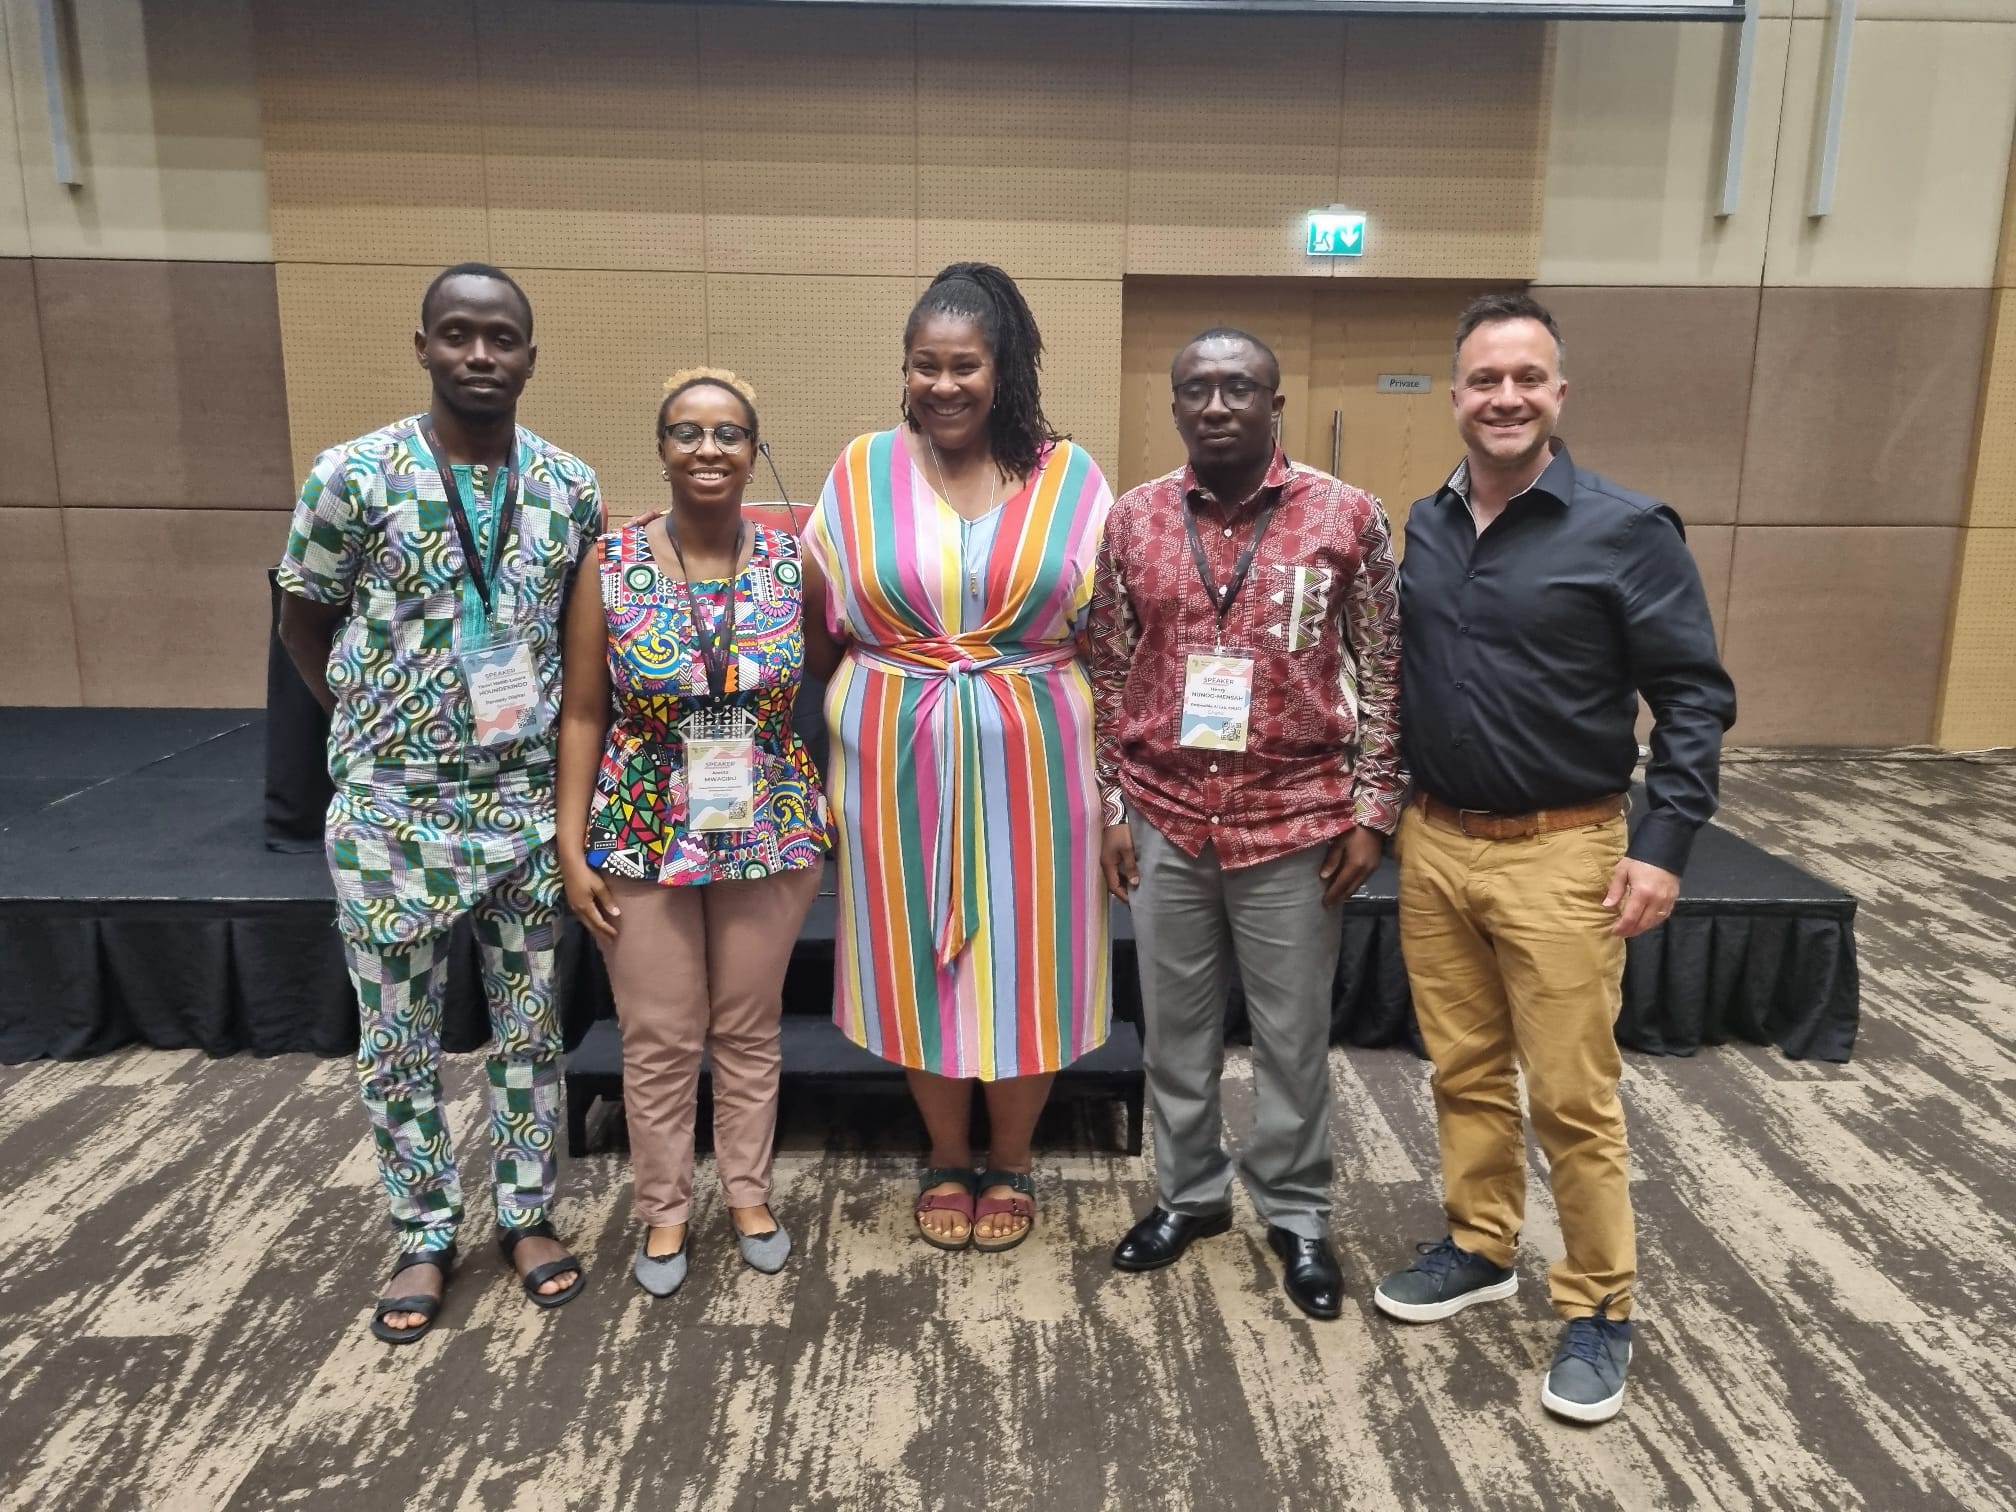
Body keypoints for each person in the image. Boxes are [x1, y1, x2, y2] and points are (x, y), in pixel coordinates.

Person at [1373, 292, 1736, 1422]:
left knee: (1574, 1097)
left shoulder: (1629, 531)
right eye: (1485, 380)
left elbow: (1693, 699)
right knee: (1463, 1070)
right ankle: (1481, 1246)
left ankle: (1599, 1306)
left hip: (1565, 851)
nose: (1506, 398)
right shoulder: (1424, 523)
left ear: (1559, 395)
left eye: (1528, 378)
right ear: (1456, 397)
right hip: (1436, 844)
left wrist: (1665, 846)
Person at [275, 262, 597, 1344]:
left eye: (500, 338)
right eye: (457, 334)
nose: (479, 355)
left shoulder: (567, 487)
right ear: (421, 346)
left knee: (528, 1027)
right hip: (390, 814)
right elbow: (302, 624)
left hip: (522, 805)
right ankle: (422, 1230)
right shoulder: (351, 476)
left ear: (529, 356)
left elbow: (575, 646)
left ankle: (525, 1213)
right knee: (399, 1038)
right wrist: (376, 723)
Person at [1089, 328, 1404, 1319]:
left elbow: (1388, 671)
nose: (1216, 403)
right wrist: (1110, 805)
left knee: (1292, 1034)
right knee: (1174, 1035)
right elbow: (1106, 669)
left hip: (1298, 817)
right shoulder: (1134, 521)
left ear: (1275, 401)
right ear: (1175, 406)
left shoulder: (1347, 517)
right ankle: (1188, 1197)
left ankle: (1298, 1211)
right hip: (1167, 816)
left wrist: (1376, 809)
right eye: (1196, 389)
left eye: (1238, 387)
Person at [803, 262, 1113, 1253]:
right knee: (916, 954)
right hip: (894, 757)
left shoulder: (1073, 476)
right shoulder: (860, 470)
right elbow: (814, 626)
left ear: (1004, 366)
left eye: (965, 365)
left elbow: (1111, 632)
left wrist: (1118, 798)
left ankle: (1012, 1161)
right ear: (904, 371)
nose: (943, 385)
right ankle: (945, 1153)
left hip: (1040, 757)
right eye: (924, 366)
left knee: (1030, 960)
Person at [555, 370, 832, 1297]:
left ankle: (749, 1194)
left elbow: (820, 689)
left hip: (768, 820)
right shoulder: (613, 562)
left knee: (750, 1027)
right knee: (661, 1033)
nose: (709, 449)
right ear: (662, 448)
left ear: (756, 449)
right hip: (638, 826)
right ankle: (665, 1210)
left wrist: (821, 802)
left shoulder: (796, 563)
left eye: (729, 434)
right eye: (687, 432)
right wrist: (569, 843)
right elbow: (585, 712)